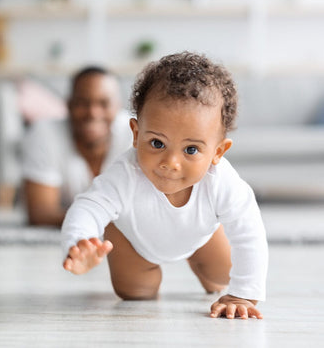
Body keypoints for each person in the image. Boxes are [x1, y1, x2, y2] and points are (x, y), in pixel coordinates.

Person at [61, 52, 269, 320]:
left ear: (218, 151)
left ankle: (199, 262)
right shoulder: (125, 174)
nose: (170, 163)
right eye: (157, 143)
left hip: (200, 236)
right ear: (136, 134)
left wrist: (243, 294)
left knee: (221, 275)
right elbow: (88, 206)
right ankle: (142, 268)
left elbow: (249, 232)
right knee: (135, 293)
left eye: (191, 149)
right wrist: (80, 241)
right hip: (135, 241)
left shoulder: (222, 182)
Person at [21, 66, 132, 226]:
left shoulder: (136, 133)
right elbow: (40, 213)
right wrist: (108, 219)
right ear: (68, 104)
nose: (93, 113)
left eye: (104, 103)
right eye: (82, 103)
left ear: (119, 106)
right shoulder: (43, 133)